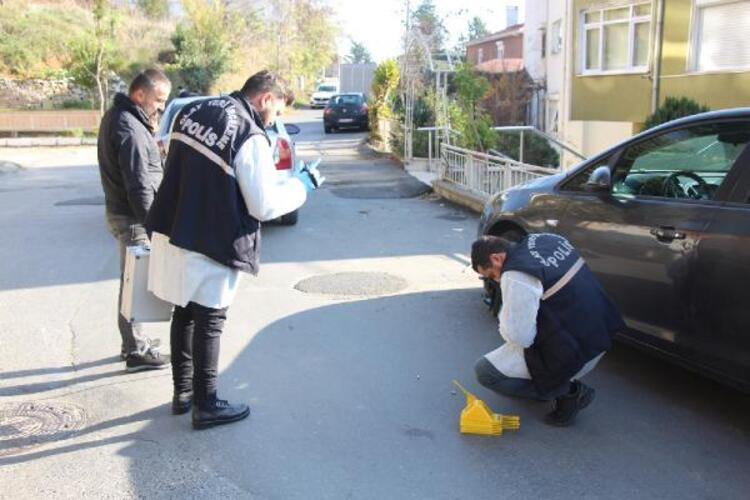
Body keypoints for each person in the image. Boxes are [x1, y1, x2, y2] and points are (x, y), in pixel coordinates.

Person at [145, 70, 323, 430]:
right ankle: (206, 403)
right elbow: (263, 205)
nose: (275, 121)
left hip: (175, 224)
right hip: (212, 237)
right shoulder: (249, 133)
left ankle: (183, 393)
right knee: (210, 319)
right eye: (277, 111)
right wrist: (302, 186)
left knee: (183, 309)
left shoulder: (192, 111)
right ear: (265, 99)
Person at [470, 233, 625, 426]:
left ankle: (569, 392)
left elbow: (520, 337)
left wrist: (506, 318)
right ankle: (548, 385)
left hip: (579, 354)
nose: (497, 281)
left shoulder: (515, 274)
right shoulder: (546, 239)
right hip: (602, 334)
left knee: (485, 372)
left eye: (492, 275)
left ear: (496, 258)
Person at [97, 68, 172, 372]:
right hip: (133, 219)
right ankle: (135, 351)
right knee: (135, 285)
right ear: (139, 94)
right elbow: (139, 184)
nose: (161, 107)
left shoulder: (123, 119)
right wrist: (155, 228)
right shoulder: (128, 126)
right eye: (158, 100)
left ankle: (132, 343)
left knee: (131, 283)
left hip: (124, 214)